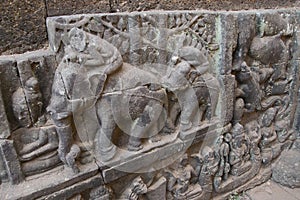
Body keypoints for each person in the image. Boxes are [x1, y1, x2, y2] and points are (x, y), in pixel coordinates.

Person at [47, 27, 123, 171]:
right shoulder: (68, 63)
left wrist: (83, 60)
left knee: (99, 76)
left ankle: (100, 150)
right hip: (66, 107)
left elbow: (99, 60)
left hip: (113, 62)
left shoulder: (91, 46)